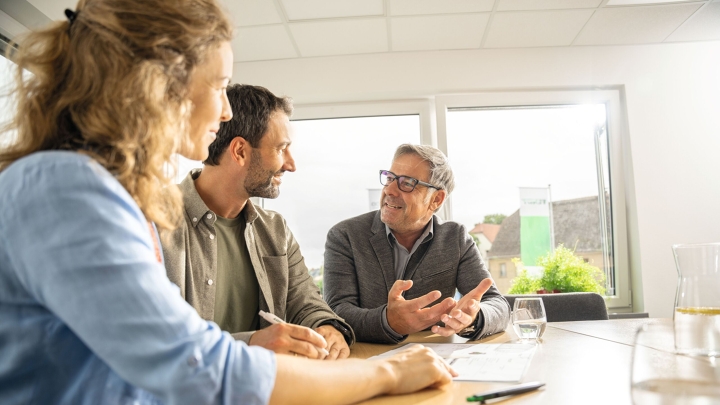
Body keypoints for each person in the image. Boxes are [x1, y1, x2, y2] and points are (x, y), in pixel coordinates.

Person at [0, 1, 455, 404]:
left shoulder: (101, 191)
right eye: (219, 86)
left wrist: (328, 332)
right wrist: (387, 370)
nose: (223, 111)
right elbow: (194, 366)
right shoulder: (68, 189)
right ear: (161, 85)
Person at [162, 84, 354, 360]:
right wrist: (251, 343)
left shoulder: (276, 230)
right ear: (240, 151)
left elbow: (305, 301)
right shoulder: (155, 222)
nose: (291, 164)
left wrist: (325, 327)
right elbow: (159, 340)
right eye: (281, 149)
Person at [324, 144, 511, 344]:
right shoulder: (345, 236)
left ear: (436, 200)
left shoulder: (455, 238)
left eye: (406, 183)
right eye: (389, 178)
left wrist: (474, 317)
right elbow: (337, 312)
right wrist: (388, 321)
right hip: (367, 360)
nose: (389, 190)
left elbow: (498, 305)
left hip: (434, 359)